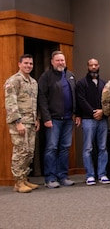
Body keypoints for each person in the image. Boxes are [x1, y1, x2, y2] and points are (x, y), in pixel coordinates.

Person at [38, 50, 81, 189]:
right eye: (58, 60)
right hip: (53, 119)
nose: (61, 62)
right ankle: (50, 178)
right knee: (51, 148)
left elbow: (76, 96)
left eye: (62, 60)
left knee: (65, 148)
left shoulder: (70, 75)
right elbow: (42, 99)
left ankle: (63, 176)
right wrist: (46, 118)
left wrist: (77, 114)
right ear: (52, 62)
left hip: (68, 119)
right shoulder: (46, 76)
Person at [4, 54, 39, 193]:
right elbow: (10, 102)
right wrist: (17, 122)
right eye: (25, 63)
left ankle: (24, 178)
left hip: (30, 121)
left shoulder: (33, 82)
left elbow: (34, 103)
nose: (28, 65)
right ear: (19, 64)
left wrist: (37, 119)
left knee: (29, 153)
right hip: (19, 122)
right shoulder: (13, 81)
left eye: (30, 63)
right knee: (20, 151)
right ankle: (18, 182)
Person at [76, 59, 110, 186]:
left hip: (102, 119)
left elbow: (107, 101)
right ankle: (90, 175)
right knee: (88, 148)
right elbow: (81, 101)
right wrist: (93, 113)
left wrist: (102, 111)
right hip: (88, 120)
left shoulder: (104, 84)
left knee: (103, 148)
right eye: (91, 65)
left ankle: (102, 174)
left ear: (99, 66)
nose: (94, 67)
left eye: (96, 65)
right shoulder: (81, 83)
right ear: (88, 67)